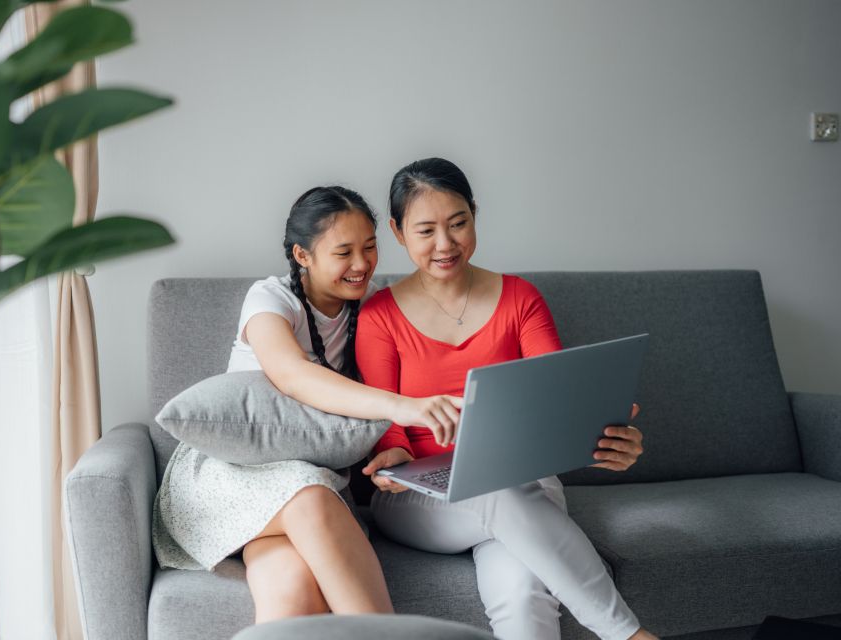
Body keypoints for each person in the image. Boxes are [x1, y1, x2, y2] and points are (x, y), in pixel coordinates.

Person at [357, 158, 656, 640]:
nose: (445, 244)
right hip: (422, 498)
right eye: (426, 230)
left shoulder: (520, 299)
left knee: (520, 596)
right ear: (397, 231)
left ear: (475, 213)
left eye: (458, 224)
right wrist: (390, 459)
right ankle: (630, 636)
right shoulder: (379, 316)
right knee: (492, 489)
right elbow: (387, 428)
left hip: (525, 485)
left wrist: (602, 437)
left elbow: (555, 404)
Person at [152, 186, 463, 623]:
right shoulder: (271, 300)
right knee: (312, 500)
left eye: (370, 247)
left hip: (302, 482)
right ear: (302, 255)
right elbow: (293, 375)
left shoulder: (374, 306)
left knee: (292, 591)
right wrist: (403, 407)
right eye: (344, 252)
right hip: (229, 476)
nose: (361, 264)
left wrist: (393, 449)